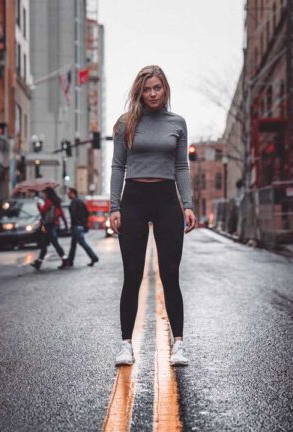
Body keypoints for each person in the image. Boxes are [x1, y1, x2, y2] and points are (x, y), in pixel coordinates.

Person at [109, 65, 196, 367]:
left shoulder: (178, 123)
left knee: (170, 274)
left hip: (166, 201)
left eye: (157, 87)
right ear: (139, 92)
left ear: (165, 89)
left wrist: (188, 204)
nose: (152, 94)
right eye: (147, 89)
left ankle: (179, 345)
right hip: (133, 200)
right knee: (132, 274)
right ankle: (125, 345)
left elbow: (182, 167)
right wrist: (114, 207)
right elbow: (118, 167)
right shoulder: (125, 124)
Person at [31, 187, 69, 270]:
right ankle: (38, 262)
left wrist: (38, 206)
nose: (42, 195)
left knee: (53, 243)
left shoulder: (48, 202)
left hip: (47, 226)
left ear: (47, 194)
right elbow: (62, 214)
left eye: (43, 193)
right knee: (44, 243)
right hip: (51, 225)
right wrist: (65, 224)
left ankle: (65, 260)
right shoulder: (56, 202)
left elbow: (42, 212)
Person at [61, 188, 99, 268]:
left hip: (77, 226)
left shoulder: (74, 202)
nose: (67, 194)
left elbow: (74, 214)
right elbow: (87, 213)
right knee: (73, 244)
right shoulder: (80, 201)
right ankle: (70, 261)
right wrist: (84, 223)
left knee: (82, 243)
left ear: (72, 193)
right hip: (79, 225)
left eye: (68, 193)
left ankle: (94, 257)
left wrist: (74, 223)